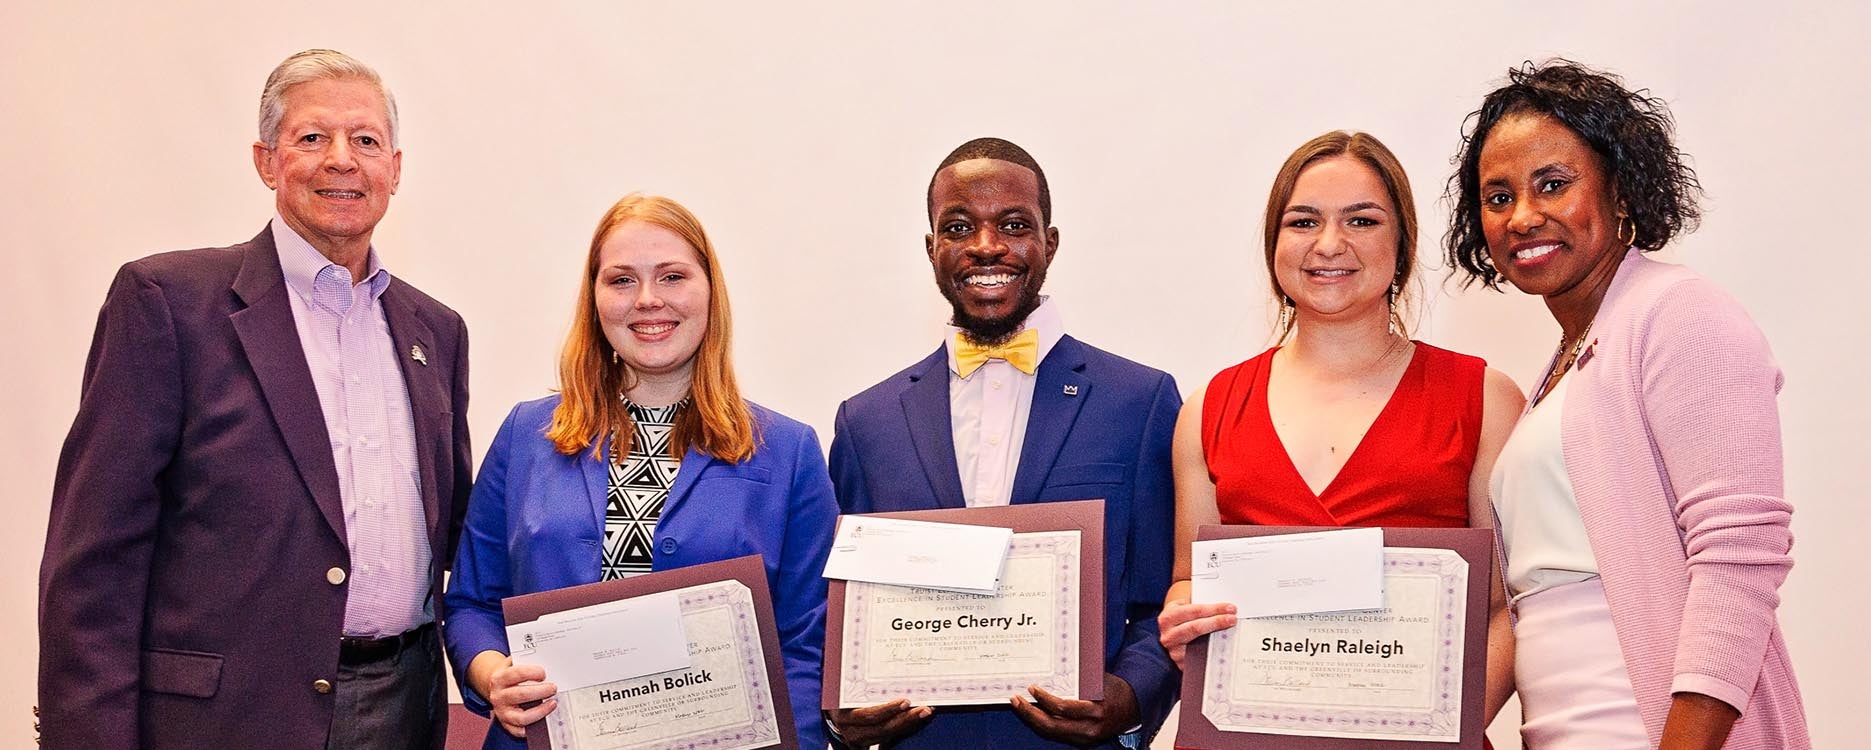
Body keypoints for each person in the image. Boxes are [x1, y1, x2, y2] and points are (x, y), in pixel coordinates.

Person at [37, 49, 469, 750]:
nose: (341, 160)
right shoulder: (168, 305)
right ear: (267, 161)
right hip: (228, 721)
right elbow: (92, 563)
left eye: (365, 141)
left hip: (403, 709)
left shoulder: (437, 331)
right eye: (311, 138)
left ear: (395, 167)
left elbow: (455, 533)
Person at [1444, 60, 1809, 749]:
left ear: (1620, 190)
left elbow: (1737, 559)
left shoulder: (1678, 313)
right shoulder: (1569, 359)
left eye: (1553, 184)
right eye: (1497, 197)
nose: (1522, 216)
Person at [1154, 131, 1523, 736]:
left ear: (1401, 243)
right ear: (1274, 242)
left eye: (1362, 220)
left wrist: (1432, 738)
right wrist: (1183, 619)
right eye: (1303, 221)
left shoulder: (1483, 398)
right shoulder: (1207, 409)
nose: (1330, 244)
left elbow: (1506, 607)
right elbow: (1188, 580)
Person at [443, 193, 836, 749]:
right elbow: (471, 603)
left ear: (709, 293)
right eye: (622, 280)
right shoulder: (526, 435)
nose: (648, 300)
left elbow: (806, 644)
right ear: (595, 299)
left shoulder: (788, 451)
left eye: (673, 276)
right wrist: (492, 675)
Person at [827, 137, 1181, 749]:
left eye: (1014, 225)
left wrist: (1130, 696)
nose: (986, 246)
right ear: (932, 247)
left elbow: (1169, 593)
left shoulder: (1140, 402)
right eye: (959, 227)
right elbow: (836, 610)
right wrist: (839, 712)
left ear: (1050, 242)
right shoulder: (866, 423)